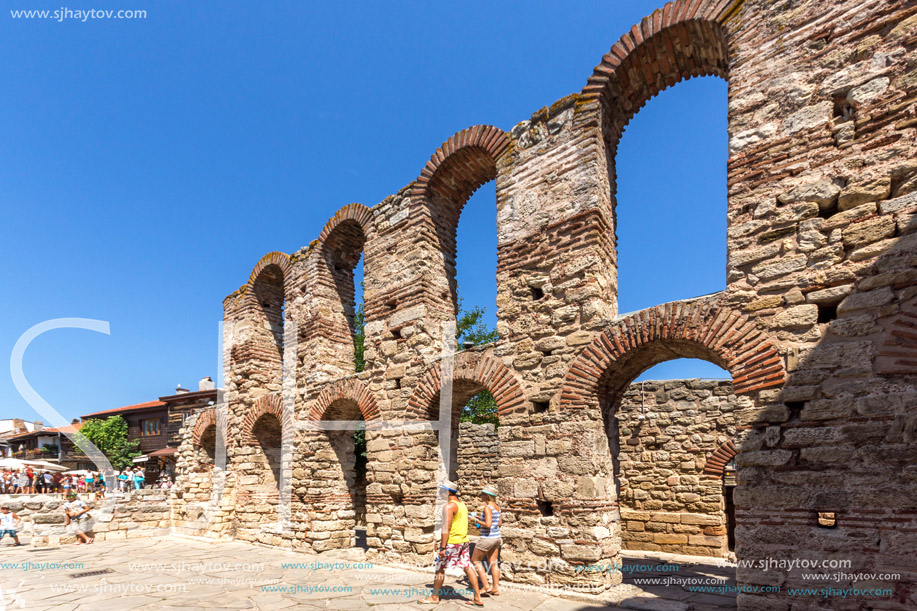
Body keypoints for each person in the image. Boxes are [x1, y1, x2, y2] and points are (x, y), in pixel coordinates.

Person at [419, 480, 482, 606]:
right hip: (463, 541)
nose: (440, 493)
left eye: (442, 491)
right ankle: (477, 598)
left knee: (440, 569)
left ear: (448, 492)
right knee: (467, 567)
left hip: (452, 542)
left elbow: (445, 528)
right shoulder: (462, 505)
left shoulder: (448, 507)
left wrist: (442, 547)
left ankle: (434, 596)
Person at [471, 485, 502, 597]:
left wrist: (475, 520)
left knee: (475, 560)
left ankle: (485, 586)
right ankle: (495, 588)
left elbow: (488, 525)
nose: (481, 496)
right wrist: (481, 520)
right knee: (493, 563)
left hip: (487, 538)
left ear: (487, 496)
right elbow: (499, 524)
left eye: (483, 494)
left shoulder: (487, 508)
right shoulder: (498, 508)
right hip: (497, 538)